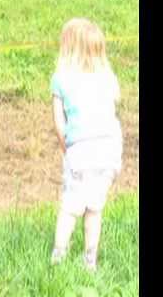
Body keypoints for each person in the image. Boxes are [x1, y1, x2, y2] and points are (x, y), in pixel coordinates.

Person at [49, 18, 123, 271]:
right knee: (94, 207)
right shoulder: (108, 77)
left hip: (81, 149)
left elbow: (59, 123)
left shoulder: (61, 79)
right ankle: (90, 259)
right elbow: (114, 105)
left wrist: (66, 147)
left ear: (67, 48)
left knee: (70, 207)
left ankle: (58, 258)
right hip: (110, 149)